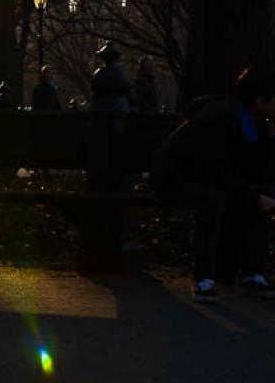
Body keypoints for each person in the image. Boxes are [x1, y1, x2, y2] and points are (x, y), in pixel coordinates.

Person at [151, 67, 275, 303]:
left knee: (256, 196)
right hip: (176, 177)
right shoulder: (218, 118)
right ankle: (204, 277)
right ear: (260, 101)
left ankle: (250, 272)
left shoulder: (256, 123)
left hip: (209, 178)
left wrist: (271, 139)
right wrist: (256, 196)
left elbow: (258, 173)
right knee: (215, 198)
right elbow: (213, 171)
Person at [89, 42, 132, 113]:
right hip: (116, 108)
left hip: (103, 108)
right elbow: (126, 88)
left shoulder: (99, 73)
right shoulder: (118, 72)